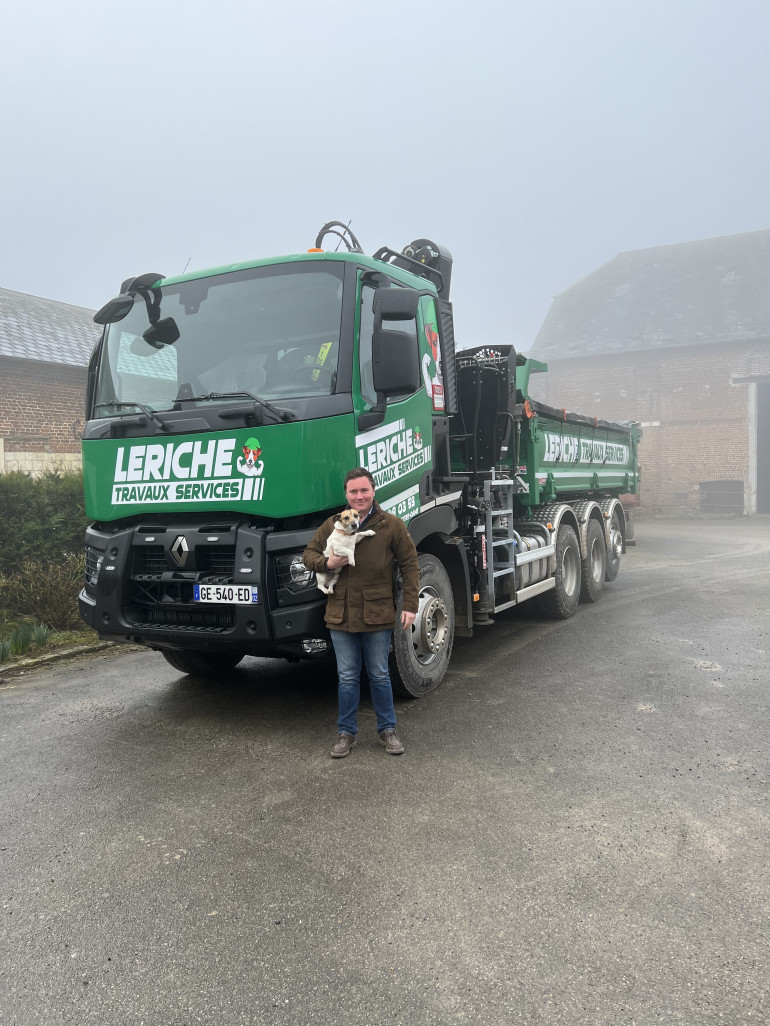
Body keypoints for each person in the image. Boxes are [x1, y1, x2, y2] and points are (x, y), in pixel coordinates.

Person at [302, 468, 419, 758]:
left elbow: (410, 565)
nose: (359, 497)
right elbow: (308, 556)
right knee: (347, 677)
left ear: (373, 491)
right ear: (346, 496)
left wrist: (410, 606)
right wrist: (326, 564)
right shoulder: (332, 524)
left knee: (379, 674)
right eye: (353, 492)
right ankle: (346, 733)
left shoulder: (390, 525)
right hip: (340, 614)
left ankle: (387, 730)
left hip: (377, 613)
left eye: (364, 490)